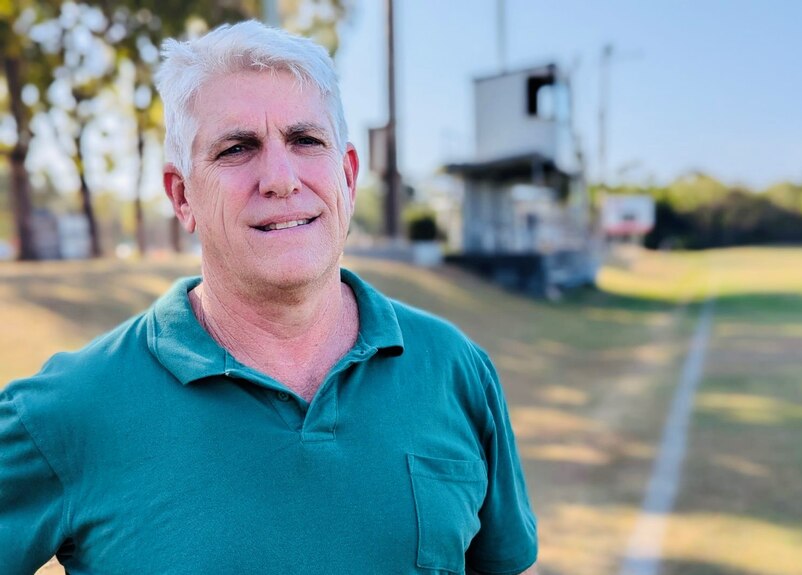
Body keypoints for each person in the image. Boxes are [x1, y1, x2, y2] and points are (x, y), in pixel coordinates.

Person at [0, 20, 538, 575]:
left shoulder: (455, 369)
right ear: (182, 196)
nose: (281, 179)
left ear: (348, 178)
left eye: (306, 141)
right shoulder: (66, 411)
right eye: (237, 148)